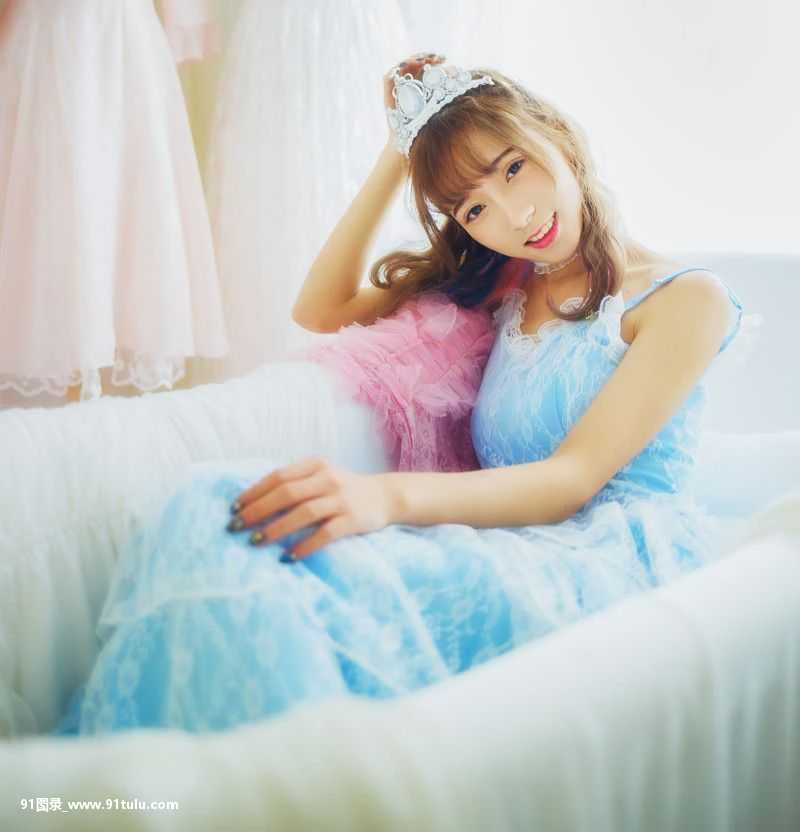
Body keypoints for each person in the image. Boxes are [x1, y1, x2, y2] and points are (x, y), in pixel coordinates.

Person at [56, 54, 744, 735]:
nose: (515, 214)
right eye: (475, 208)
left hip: (601, 567)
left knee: (283, 576)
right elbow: (321, 308)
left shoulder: (686, 300)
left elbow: (572, 480)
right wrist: (397, 150)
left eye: (513, 167)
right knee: (211, 508)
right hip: (504, 543)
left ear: (556, 134)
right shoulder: (508, 284)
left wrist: (382, 497)